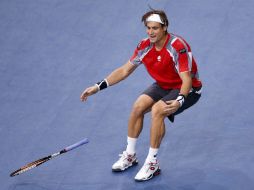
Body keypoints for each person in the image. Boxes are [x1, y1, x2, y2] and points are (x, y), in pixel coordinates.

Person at [80, 9, 202, 181]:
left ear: (165, 27)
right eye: (148, 28)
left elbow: (186, 78)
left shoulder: (177, 47)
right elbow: (124, 70)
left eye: (155, 28)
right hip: (163, 85)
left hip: (188, 88)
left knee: (158, 110)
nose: (150, 32)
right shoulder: (144, 46)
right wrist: (97, 87)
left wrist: (180, 100)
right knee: (138, 106)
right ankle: (130, 155)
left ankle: (152, 163)